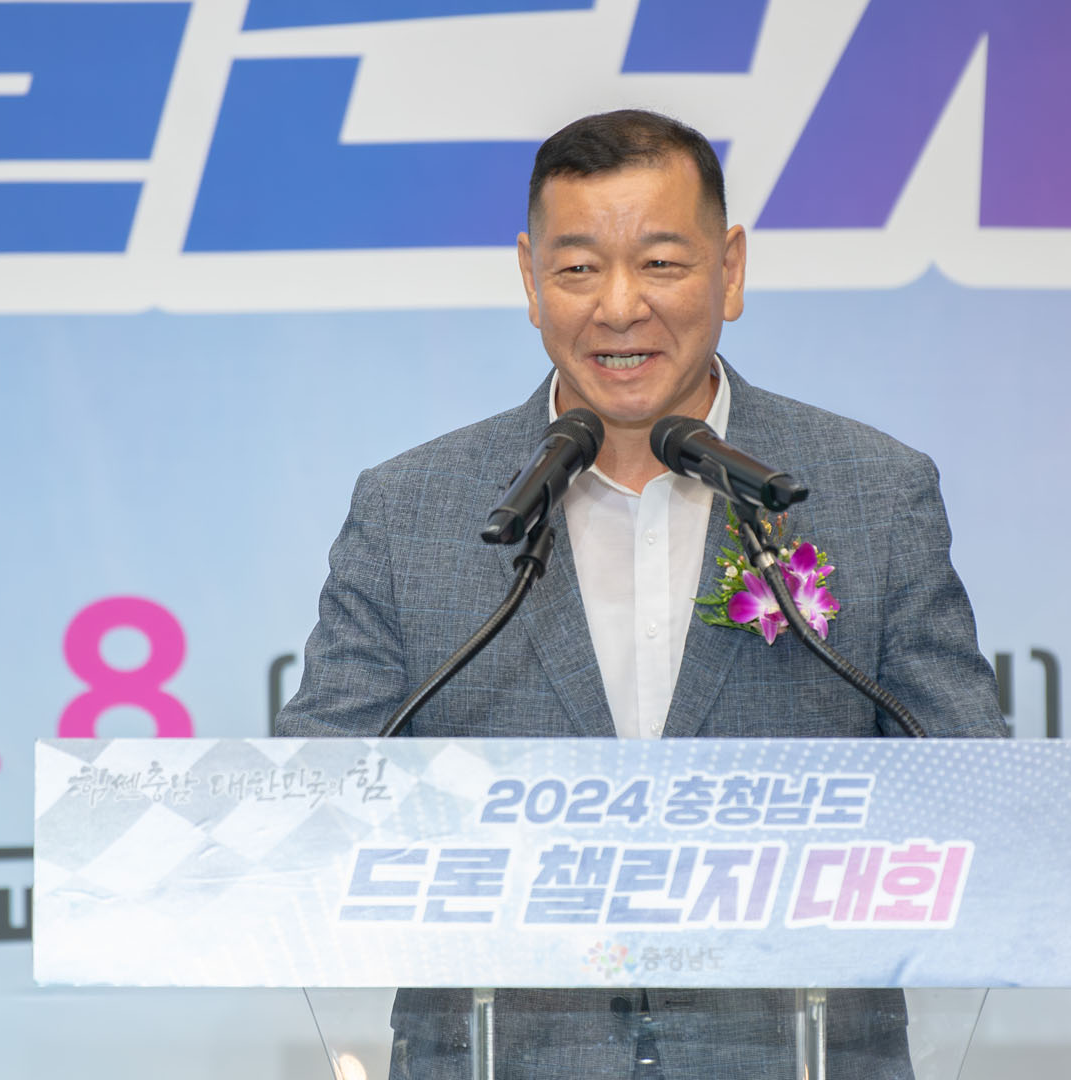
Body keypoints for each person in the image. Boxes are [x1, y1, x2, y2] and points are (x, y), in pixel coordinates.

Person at [277, 109, 1006, 1079]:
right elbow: (316, 797)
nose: (619, 307)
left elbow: (974, 792)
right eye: (579, 267)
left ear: (730, 270)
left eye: (661, 263)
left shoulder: (871, 491)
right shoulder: (413, 509)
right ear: (531, 279)